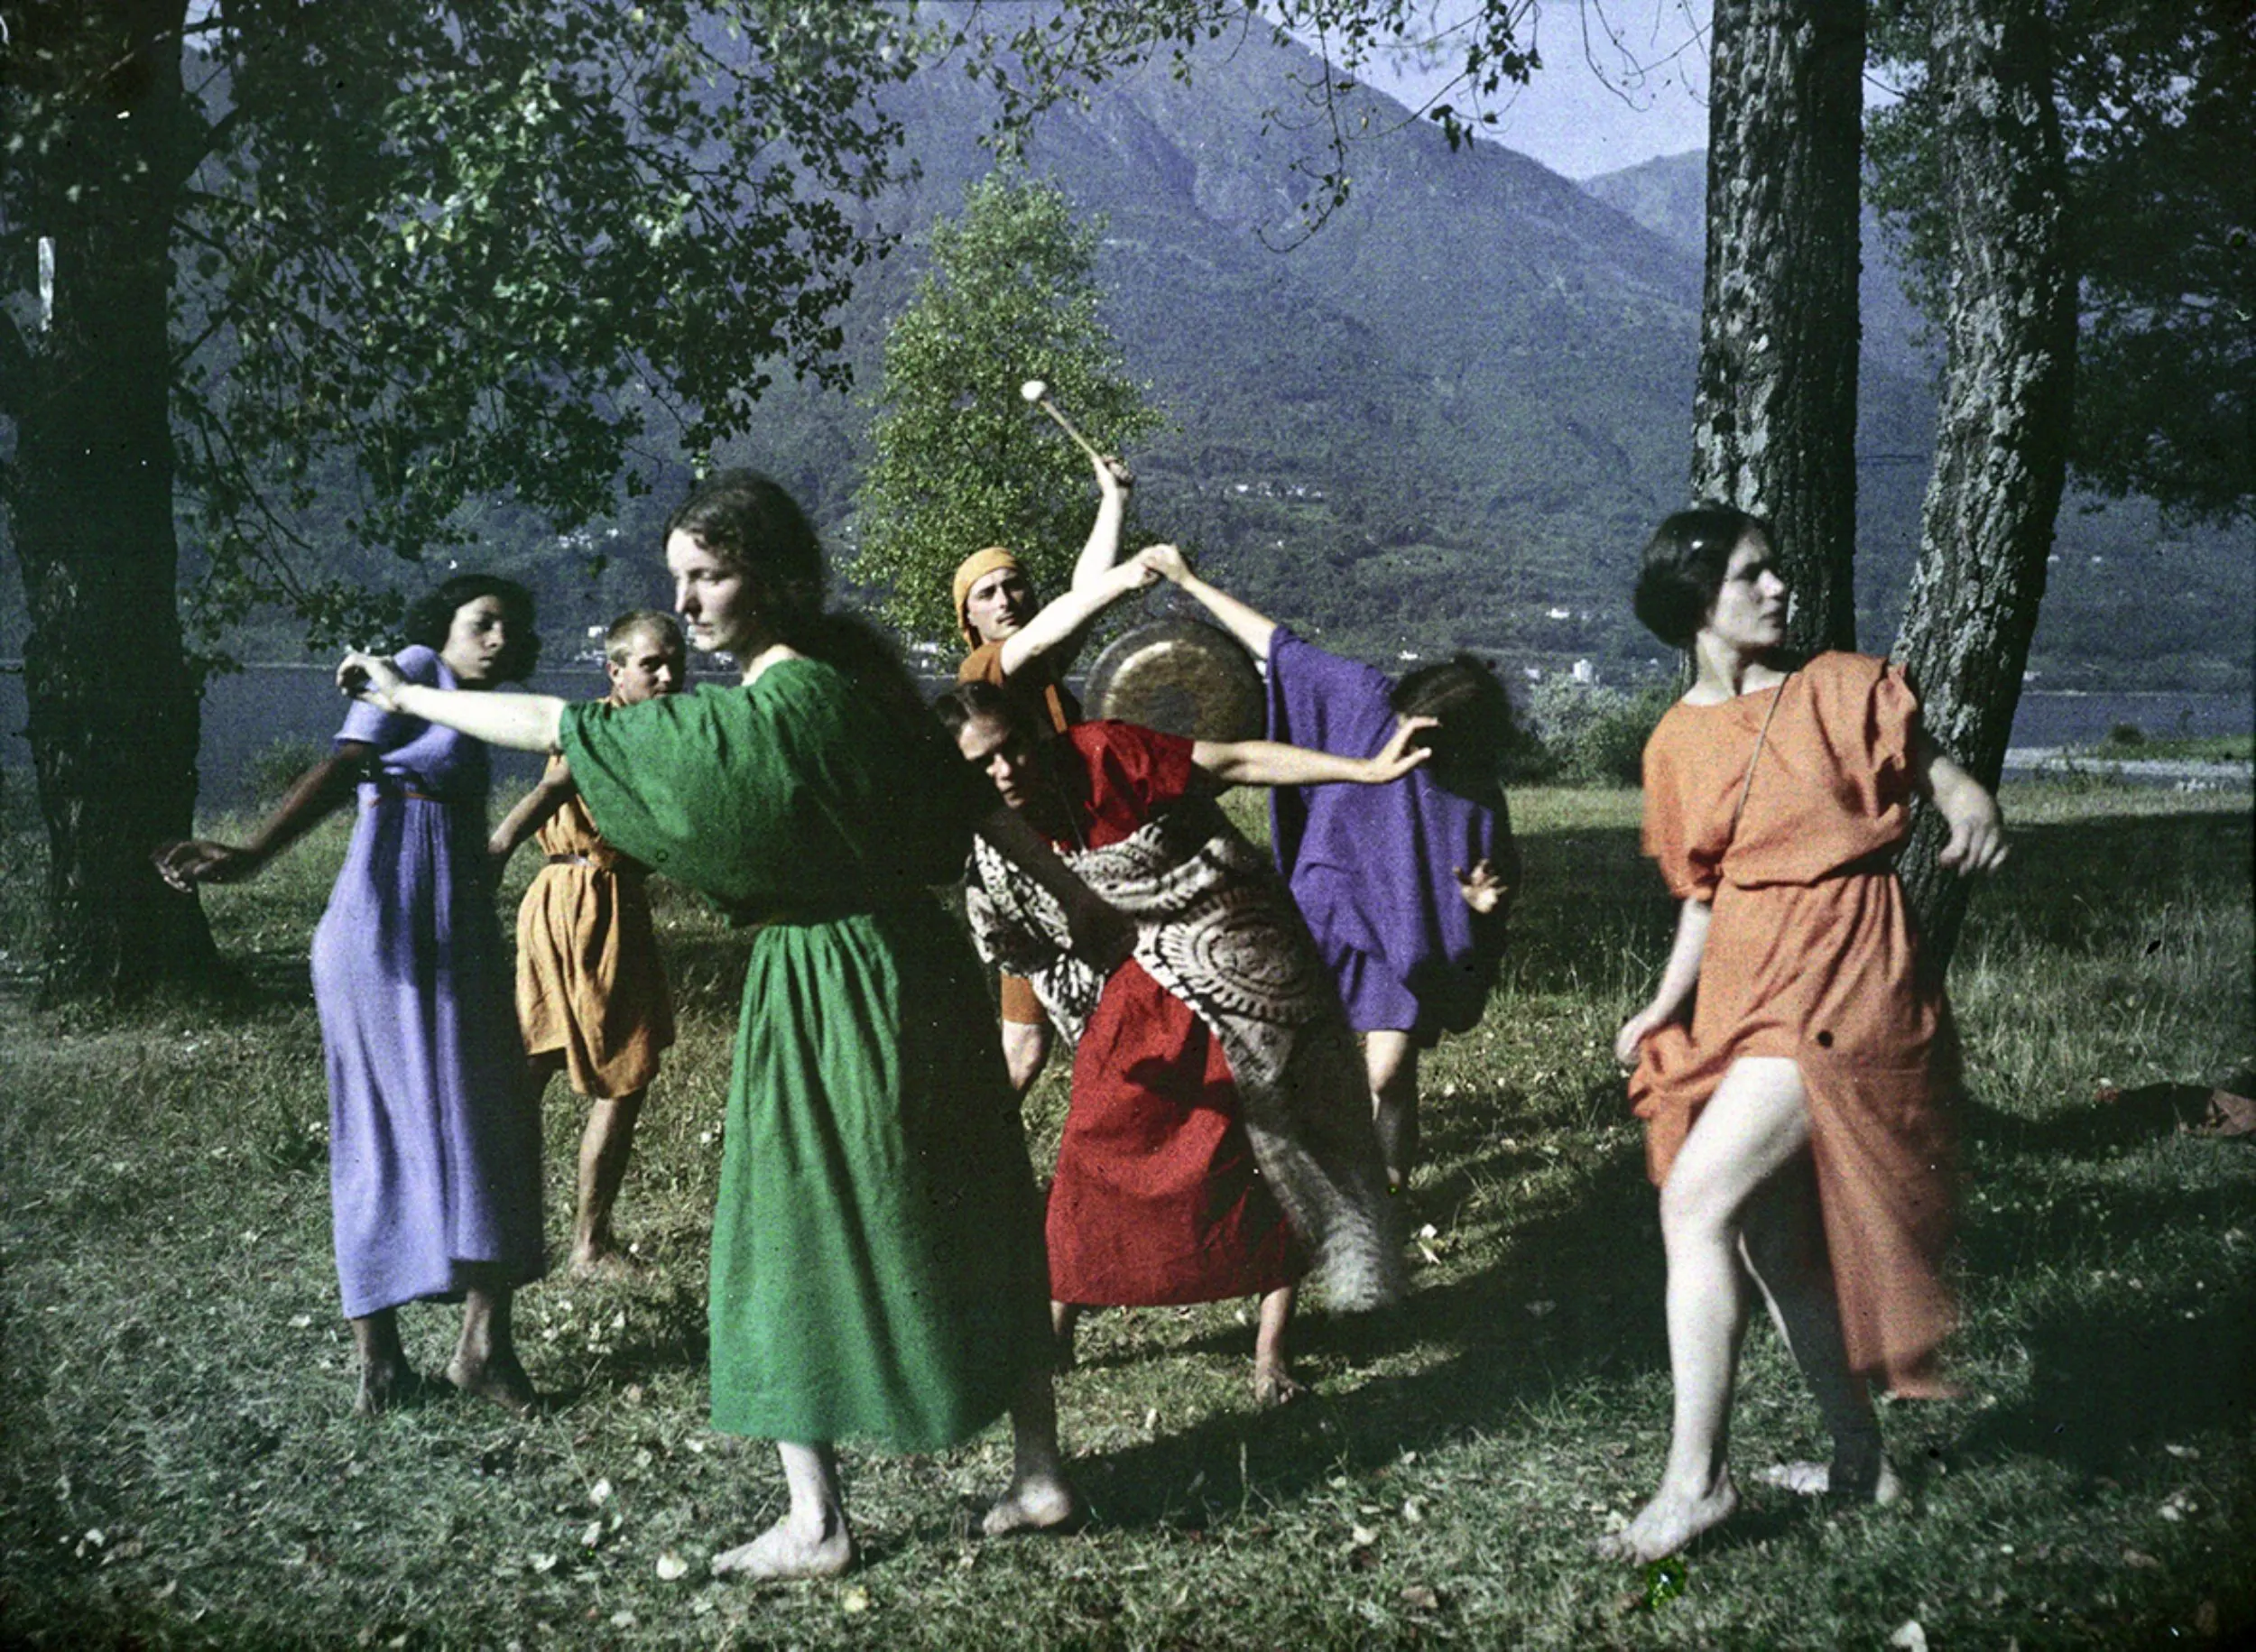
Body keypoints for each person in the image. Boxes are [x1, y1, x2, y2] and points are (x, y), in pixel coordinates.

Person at [334, 470, 1124, 1581]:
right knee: (971, 1202)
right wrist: (1075, 894)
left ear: (771, 576)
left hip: (824, 979)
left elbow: (562, 727)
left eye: (709, 576)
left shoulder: (771, 712)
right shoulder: (865, 682)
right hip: (923, 970)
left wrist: (409, 699)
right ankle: (1039, 1472)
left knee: (781, 1227)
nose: (690, 603)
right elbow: (969, 801)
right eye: (678, 582)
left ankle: (818, 1521)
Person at [1602, 504, 2008, 1563]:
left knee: (1696, 1198)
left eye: (1775, 569)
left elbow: (1934, 768)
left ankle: (1697, 1481)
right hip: (1745, 978)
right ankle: (1862, 1465)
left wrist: (1967, 797)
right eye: (1751, 575)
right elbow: (1702, 894)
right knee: (1770, 1237)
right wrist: (1661, 1004)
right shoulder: (1675, 739)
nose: (1778, 588)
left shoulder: (1837, 686)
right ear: (1696, 600)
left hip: (1845, 968)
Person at [938, 672, 1425, 1403]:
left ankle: (1271, 1355)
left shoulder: (1106, 752)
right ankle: (1053, 1334)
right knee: (1094, 1148)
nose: (1006, 770)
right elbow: (1014, 930)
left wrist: (1364, 769)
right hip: (1135, 991)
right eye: (981, 764)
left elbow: (1230, 760)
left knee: (1274, 1148)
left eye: (1011, 749)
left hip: (1236, 949)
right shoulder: (985, 829)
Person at [155, 575, 547, 1417]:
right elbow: (345, 766)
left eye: (513, 629)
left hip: (452, 942)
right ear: (440, 628)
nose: (499, 640)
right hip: (380, 937)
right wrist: (254, 853)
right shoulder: (408, 670)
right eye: (483, 623)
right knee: (377, 1129)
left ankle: (483, 1347)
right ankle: (380, 1361)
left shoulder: (468, 710)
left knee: (495, 1121)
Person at [1146, 546, 1520, 1190]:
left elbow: (1488, 893)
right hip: (1326, 911)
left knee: (1387, 1076)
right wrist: (1187, 580)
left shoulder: (1474, 788)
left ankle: (1389, 1189)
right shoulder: (1366, 699)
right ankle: (1298, 1192)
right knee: (1299, 1072)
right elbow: (1278, 644)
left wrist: (1485, 909)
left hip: (1404, 938)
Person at [488, 610, 686, 1278]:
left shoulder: (658, 731)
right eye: (651, 664)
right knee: (613, 1075)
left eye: (674, 661)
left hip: (588, 898)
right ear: (616, 671)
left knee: (547, 1063)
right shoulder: (597, 727)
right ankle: (585, 1246)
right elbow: (551, 788)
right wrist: (494, 848)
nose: (667, 674)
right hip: (583, 901)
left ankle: (500, 1234)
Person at [953, 448, 1142, 1096]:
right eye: (987, 593)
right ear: (968, 618)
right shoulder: (984, 674)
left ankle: (981, 1172)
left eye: (1014, 585)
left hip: (1074, 866)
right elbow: (1074, 608)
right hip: (1029, 878)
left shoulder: (1041, 668)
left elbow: (1078, 600)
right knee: (1037, 1044)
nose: (1005, 599)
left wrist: (1112, 501)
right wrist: (1122, 582)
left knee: (1030, 1045)